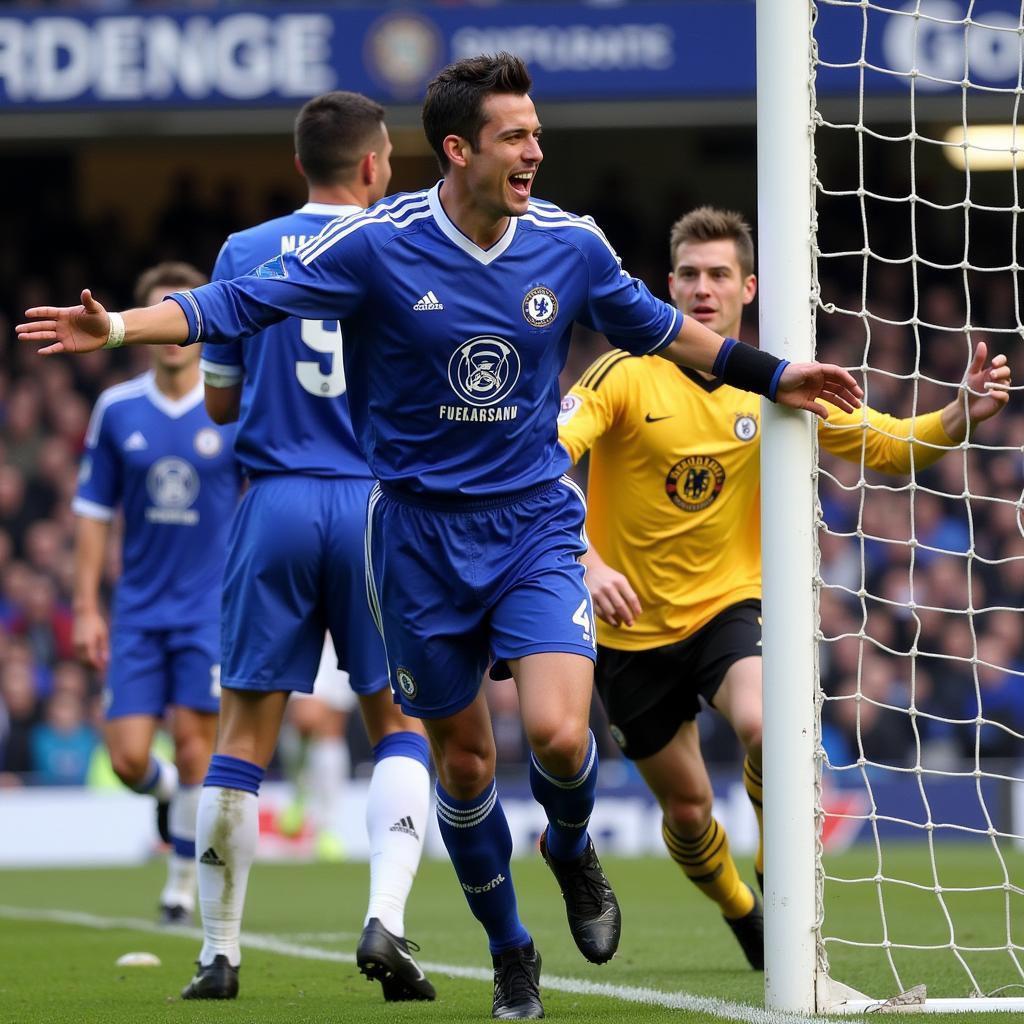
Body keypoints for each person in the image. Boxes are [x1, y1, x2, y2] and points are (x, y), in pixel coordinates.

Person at [18, 56, 862, 1021]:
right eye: (516, 136)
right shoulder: (379, 245)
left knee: (554, 732)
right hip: (415, 538)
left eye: (538, 134)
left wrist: (775, 373)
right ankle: (512, 954)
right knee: (462, 764)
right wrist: (122, 326)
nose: (536, 151)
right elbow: (238, 303)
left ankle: (572, 846)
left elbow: (667, 329)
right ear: (458, 150)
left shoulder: (571, 246)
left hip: (535, 523)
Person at [556, 205, 1011, 970]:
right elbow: (546, 457)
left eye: (719, 275)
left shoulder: (776, 382)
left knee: (768, 722)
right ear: (668, 286)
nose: (704, 289)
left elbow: (881, 445)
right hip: (629, 627)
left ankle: (778, 861)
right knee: (691, 808)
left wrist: (959, 414)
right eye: (691, 276)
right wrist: (584, 563)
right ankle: (740, 907)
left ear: (749, 287)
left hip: (732, 605)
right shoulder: (623, 372)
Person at [195, 90, 434, 1003]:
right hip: (378, 506)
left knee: (242, 735)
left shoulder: (244, 253)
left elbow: (219, 402)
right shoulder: (401, 247)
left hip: (275, 501)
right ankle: (387, 919)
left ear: (301, 164)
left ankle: (219, 953)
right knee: (397, 723)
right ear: (374, 166)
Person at [71, 262, 241, 924]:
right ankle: (171, 796)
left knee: (198, 747)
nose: (173, 334)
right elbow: (92, 511)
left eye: (184, 315)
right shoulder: (117, 410)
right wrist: (87, 606)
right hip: (139, 610)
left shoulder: (232, 406)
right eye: (159, 316)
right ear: (139, 330)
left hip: (208, 609)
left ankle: (179, 882)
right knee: (128, 759)